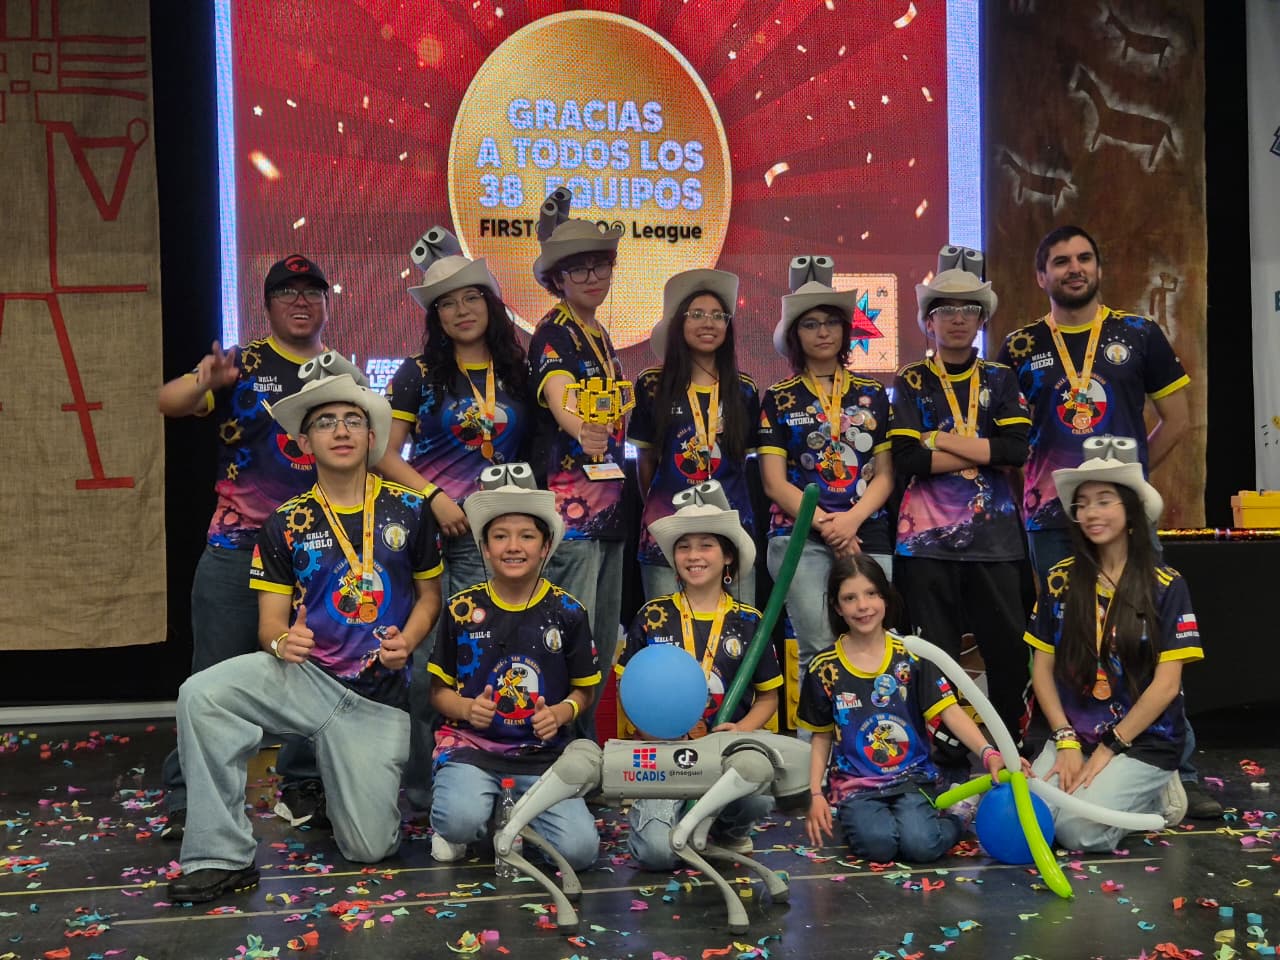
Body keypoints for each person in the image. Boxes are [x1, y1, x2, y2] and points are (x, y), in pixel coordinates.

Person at [166, 373, 444, 903]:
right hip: (305, 679)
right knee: (201, 694)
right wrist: (281, 644)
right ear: (303, 442)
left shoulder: (410, 511)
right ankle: (221, 856)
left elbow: (429, 597)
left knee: (369, 848)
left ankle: (346, 787)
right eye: (325, 423)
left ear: (371, 437)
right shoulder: (285, 523)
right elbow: (270, 623)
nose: (340, 431)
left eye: (353, 421)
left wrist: (408, 639)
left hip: (375, 701)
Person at [995, 225, 1216, 818]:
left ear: (1098, 267)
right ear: (1041, 275)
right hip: (1050, 521)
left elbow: (1178, 418)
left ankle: (1175, 769)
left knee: (1151, 645)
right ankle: (1075, 746)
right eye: (1060, 261)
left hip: (1127, 525)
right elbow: (1007, 443)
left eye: (1084, 258)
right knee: (1071, 643)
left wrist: (1127, 485)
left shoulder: (1138, 334)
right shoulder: (1019, 346)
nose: (1074, 268)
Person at [155, 254, 334, 838]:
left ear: (326, 304)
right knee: (212, 678)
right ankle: (191, 794)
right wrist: (203, 382)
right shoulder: (242, 364)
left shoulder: (340, 372)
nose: (300, 302)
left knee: (314, 671)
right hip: (237, 547)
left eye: (311, 292)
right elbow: (168, 402)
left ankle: (303, 783)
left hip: (316, 552)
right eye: (287, 293)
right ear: (268, 305)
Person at [377, 251, 532, 809]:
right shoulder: (418, 374)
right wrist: (434, 497)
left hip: (494, 543)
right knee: (424, 667)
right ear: (436, 316)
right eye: (447, 303)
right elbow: (383, 455)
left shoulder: (517, 373)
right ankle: (421, 785)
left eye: (472, 298)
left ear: (491, 305)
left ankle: (485, 777)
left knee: (485, 657)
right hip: (428, 535)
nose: (462, 310)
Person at [1025, 438, 1199, 851]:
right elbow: (1041, 669)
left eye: (1104, 501)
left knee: (1078, 832)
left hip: (1143, 741)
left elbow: (1167, 685)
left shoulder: (1166, 585)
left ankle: (1157, 793)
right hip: (1074, 736)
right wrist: (1065, 738)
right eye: (1083, 504)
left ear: (1131, 510)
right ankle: (1105, 791)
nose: (1091, 513)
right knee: (1029, 822)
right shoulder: (1060, 579)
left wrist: (1110, 747)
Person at [427, 463, 601, 871]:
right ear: (485, 548)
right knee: (458, 820)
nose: (513, 546)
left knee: (579, 852)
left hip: (544, 757)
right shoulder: (461, 608)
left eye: (527, 536)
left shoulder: (569, 612)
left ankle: (520, 816)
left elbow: (585, 690)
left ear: (545, 546)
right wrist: (467, 708)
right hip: (473, 750)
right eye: (500, 536)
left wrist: (561, 713)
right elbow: (437, 692)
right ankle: (481, 816)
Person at [889, 264, 1032, 748]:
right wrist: (983, 449)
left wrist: (939, 439)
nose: (957, 318)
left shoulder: (1001, 377)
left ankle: (1012, 747)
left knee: (1008, 652)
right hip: (926, 543)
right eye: (945, 309)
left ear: (981, 319)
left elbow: (1016, 451)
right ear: (928, 321)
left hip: (997, 541)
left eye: (968, 309)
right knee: (934, 655)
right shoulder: (911, 379)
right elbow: (908, 459)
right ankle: (941, 752)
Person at [799, 555, 1012, 863]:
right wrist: (815, 793)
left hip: (912, 779)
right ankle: (865, 821)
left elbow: (949, 710)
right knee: (878, 846)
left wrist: (988, 752)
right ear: (837, 607)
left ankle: (957, 816)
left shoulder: (911, 654)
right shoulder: (823, 667)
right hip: (856, 786)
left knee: (920, 846)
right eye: (850, 598)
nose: (863, 605)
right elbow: (820, 736)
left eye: (871, 593)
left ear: (885, 598)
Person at [617, 486, 782, 867]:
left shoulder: (749, 622)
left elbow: (769, 698)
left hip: (724, 756)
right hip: (664, 757)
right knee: (658, 855)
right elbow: (628, 688)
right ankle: (660, 823)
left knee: (758, 794)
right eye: (684, 547)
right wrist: (655, 733)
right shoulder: (652, 616)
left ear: (728, 556)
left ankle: (727, 829)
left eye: (706, 546)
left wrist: (740, 730)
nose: (693, 556)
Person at [527, 203, 628, 738]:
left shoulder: (599, 333)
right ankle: (557, 748)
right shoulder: (555, 332)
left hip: (609, 512)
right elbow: (560, 393)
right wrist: (581, 426)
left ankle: (584, 749)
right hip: (572, 516)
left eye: (600, 266)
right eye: (578, 269)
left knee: (602, 643)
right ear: (557, 279)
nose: (592, 277)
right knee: (569, 638)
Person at [758, 278, 894, 672]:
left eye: (832, 322)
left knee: (874, 643)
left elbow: (885, 476)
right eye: (810, 324)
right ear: (794, 334)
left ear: (845, 331)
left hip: (866, 529)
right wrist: (828, 526)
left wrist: (850, 522)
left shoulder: (874, 393)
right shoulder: (778, 397)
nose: (823, 332)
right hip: (798, 534)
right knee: (817, 649)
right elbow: (773, 483)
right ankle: (816, 719)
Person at [629, 269, 760, 603]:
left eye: (718, 316)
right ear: (679, 323)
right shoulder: (652, 385)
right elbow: (646, 462)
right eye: (697, 314)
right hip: (667, 529)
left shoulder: (744, 389)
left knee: (736, 627)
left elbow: (741, 462)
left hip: (731, 530)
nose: (709, 323)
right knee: (667, 626)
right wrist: (660, 508)